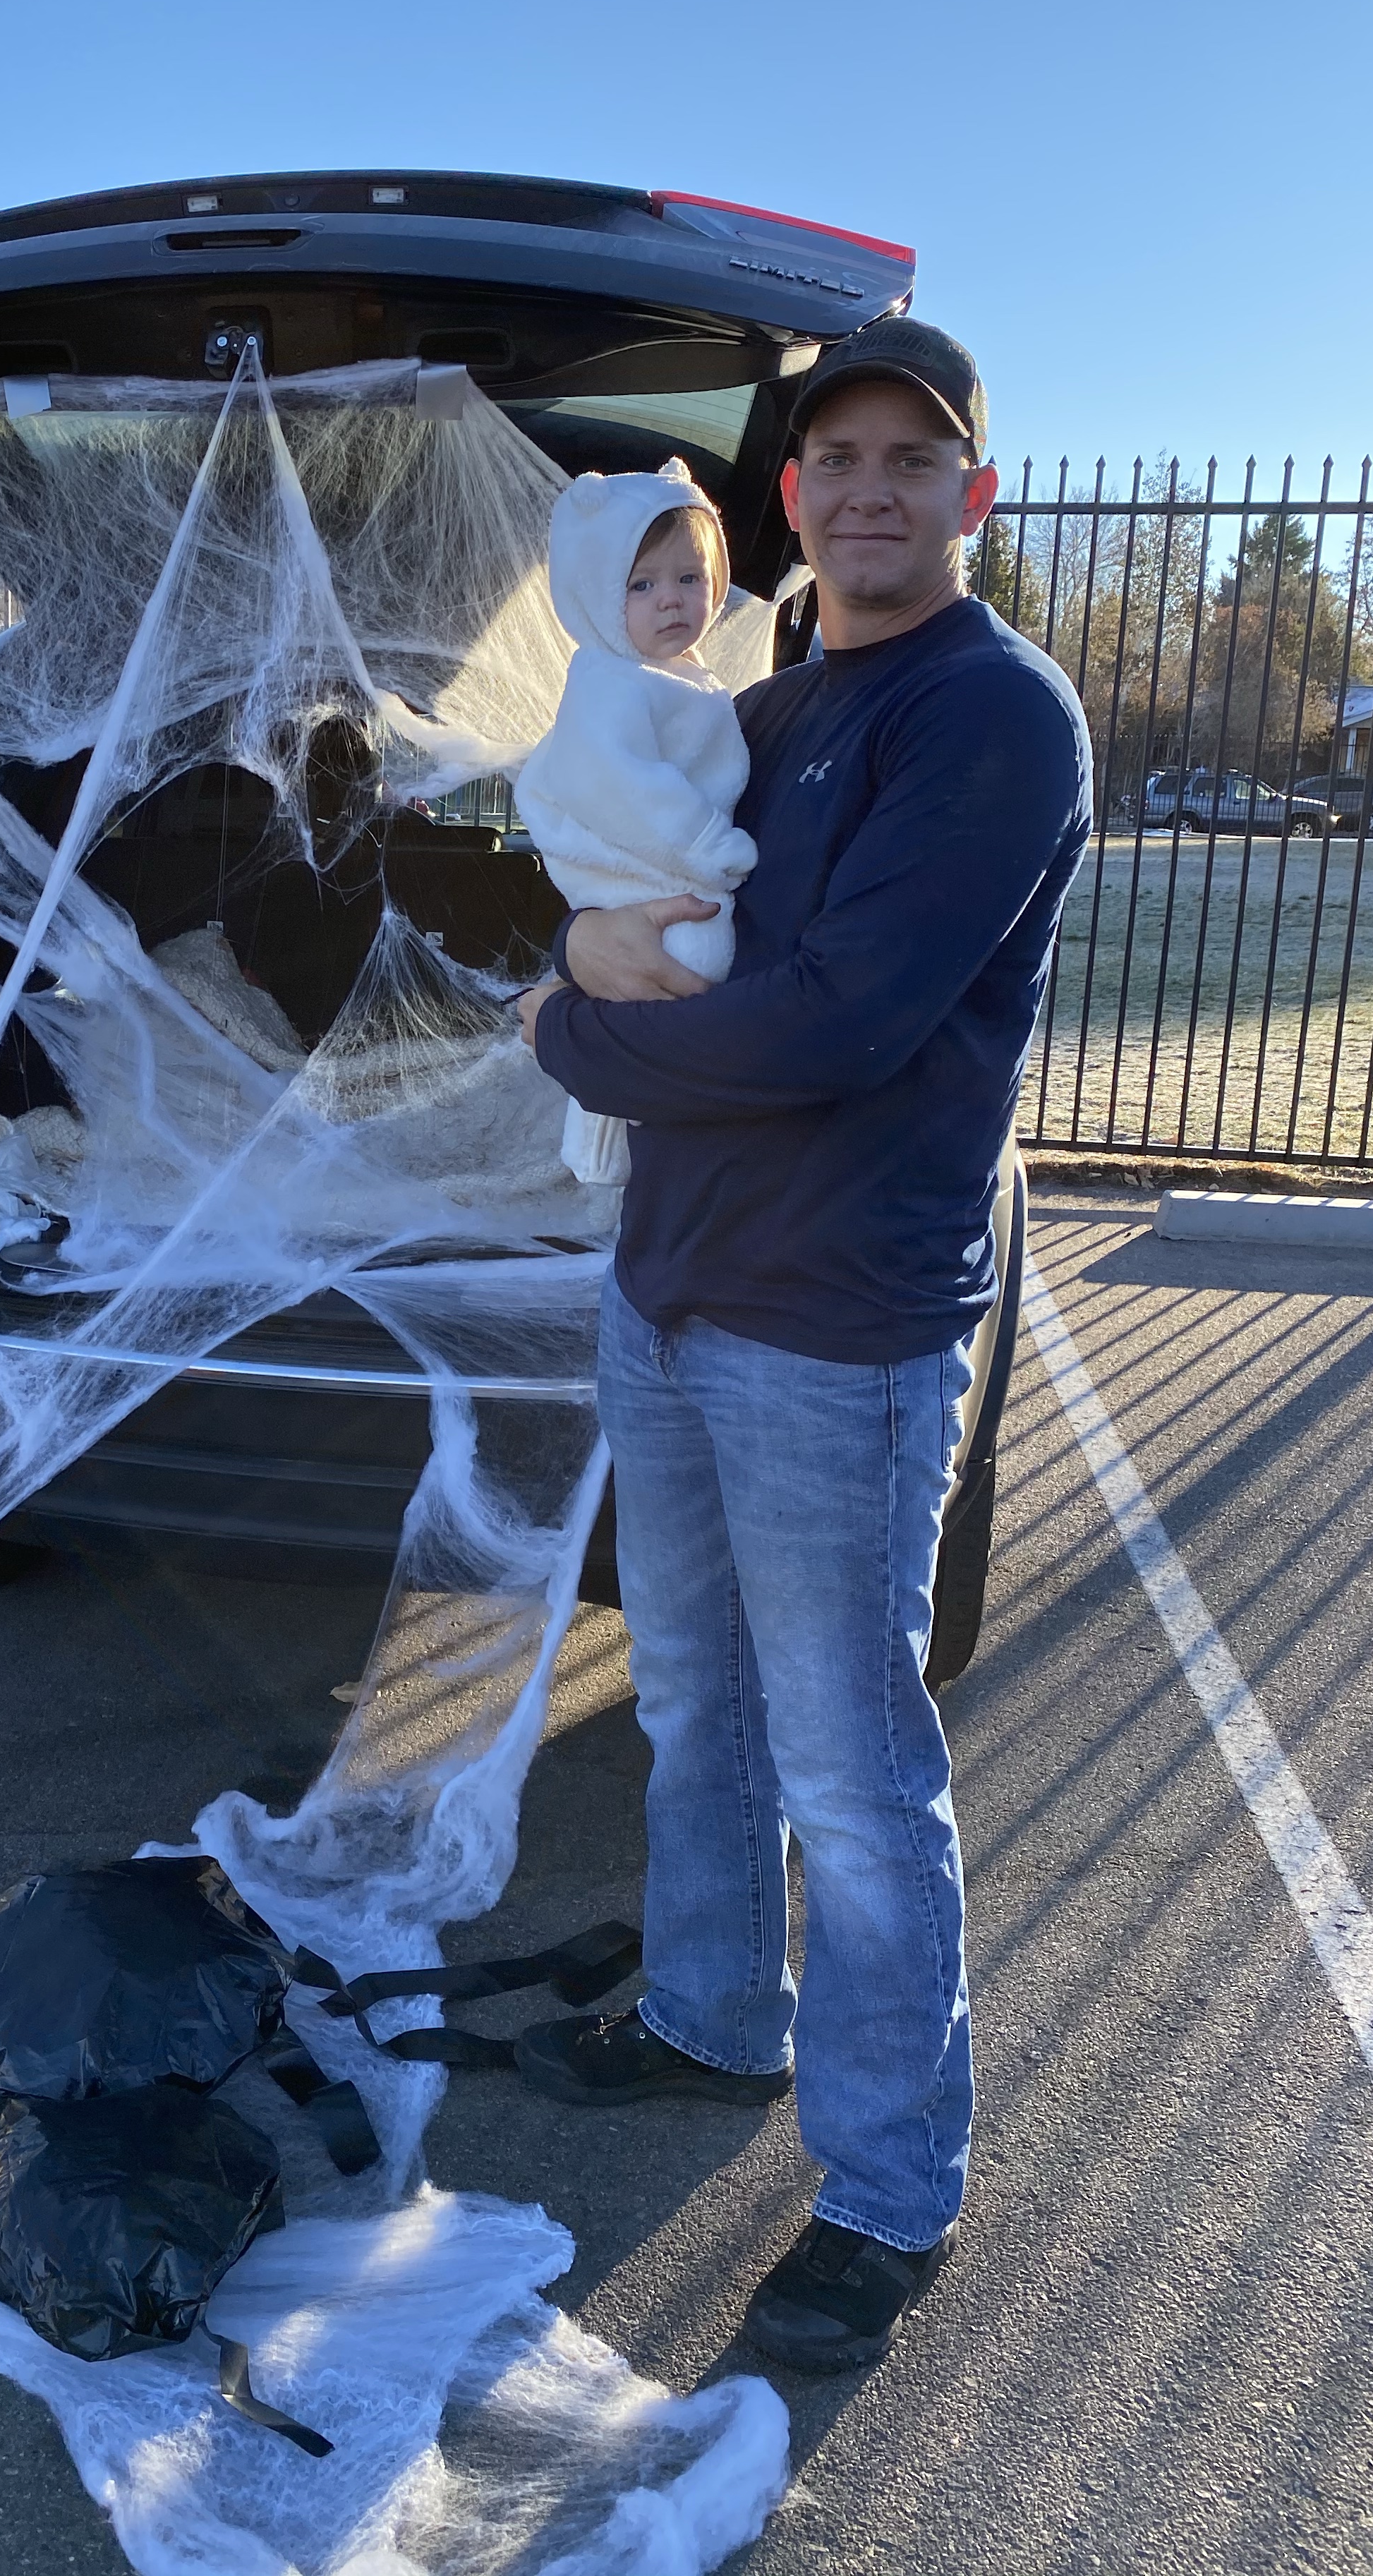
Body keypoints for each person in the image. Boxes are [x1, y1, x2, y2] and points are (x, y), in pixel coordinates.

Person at [512, 318, 1091, 2373]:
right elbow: (632, 889)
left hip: (837, 1331)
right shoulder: (763, 708)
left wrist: (573, 1029)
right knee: (695, 1702)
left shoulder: (994, 715)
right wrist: (577, 949)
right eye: (835, 457)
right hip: (669, 1289)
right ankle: (708, 2015)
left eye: (910, 459)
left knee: (852, 1774)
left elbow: (836, 1021)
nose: (867, 489)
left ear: (971, 495)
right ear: (788, 496)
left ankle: (890, 2185)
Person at [513, 459, 756, 1184]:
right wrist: (712, 846)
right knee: (688, 965)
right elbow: (623, 787)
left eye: (690, 577)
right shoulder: (608, 681)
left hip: (670, 864)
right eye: (641, 585)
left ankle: (617, 1134)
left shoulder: (683, 676)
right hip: (646, 866)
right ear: (597, 594)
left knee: (653, 986)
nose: (671, 599)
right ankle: (619, 1129)